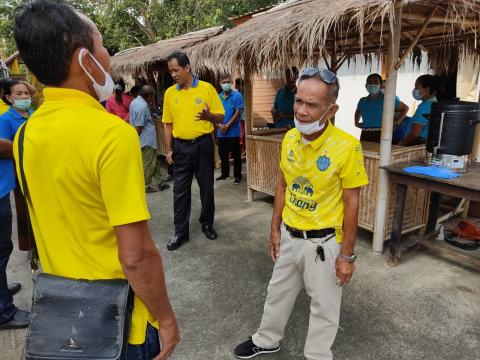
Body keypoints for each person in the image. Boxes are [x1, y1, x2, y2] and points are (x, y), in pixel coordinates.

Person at [12, 1, 179, 359]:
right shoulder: (111, 135)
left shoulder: (26, 133)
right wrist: (165, 318)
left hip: (62, 317)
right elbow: (135, 256)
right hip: (117, 322)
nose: (109, 55)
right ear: (85, 60)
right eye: (103, 44)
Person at [234, 67, 368, 360]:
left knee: (324, 306)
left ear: (331, 110)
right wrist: (274, 228)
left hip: (323, 244)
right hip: (289, 235)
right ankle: (267, 340)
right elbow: (282, 184)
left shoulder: (347, 147)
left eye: (312, 105)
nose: (302, 111)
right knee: (277, 292)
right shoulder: (291, 138)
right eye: (299, 101)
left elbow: (352, 203)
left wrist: (346, 255)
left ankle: (317, 355)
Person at [162, 51, 224, 251]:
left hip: (203, 144)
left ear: (187, 67)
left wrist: (209, 117)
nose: (173, 75)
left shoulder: (207, 89)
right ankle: (180, 232)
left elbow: (221, 117)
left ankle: (207, 223)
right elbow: (167, 125)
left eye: (176, 70)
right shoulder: (170, 93)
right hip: (180, 147)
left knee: (206, 188)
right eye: (171, 72)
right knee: (180, 191)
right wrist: (169, 150)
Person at [0, 80, 33, 331]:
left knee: (4, 249)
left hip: (14, 184)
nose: (25, 96)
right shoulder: (5, 119)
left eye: (26, 92)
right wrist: (28, 148)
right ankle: (5, 312)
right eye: (18, 93)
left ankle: (3, 289)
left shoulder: (32, 113)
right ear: (8, 97)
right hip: (9, 186)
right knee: (2, 249)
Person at [130, 85, 170, 193]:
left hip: (145, 140)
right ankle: (145, 185)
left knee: (153, 161)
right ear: (150, 96)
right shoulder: (142, 106)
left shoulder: (135, 102)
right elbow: (139, 126)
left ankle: (160, 181)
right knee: (148, 164)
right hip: (146, 140)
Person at [354, 73, 409, 142]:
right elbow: (358, 111)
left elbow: (405, 108)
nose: (372, 84)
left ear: (381, 86)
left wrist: (397, 122)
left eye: (376, 82)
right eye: (370, 82)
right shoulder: (362, 100)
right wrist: (356, 122)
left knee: (381, 152)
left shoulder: (388, 99)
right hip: (365, 133)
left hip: (383, 134)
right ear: (366, 86)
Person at [216, 74, 244, 184]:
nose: (225, 84)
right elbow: (214, 113)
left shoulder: (237, 96)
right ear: (220, 84)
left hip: (233, 132)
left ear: (231, 82)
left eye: (227, 82)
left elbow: (238, 112)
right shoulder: (218, 97)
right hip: (221, 132)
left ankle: (238, 175)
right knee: (222, 154)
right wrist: (219, 125)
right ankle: (225, 173)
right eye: (223, 82)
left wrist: (227, 125)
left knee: (236, 155)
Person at [399, 74, 438, 146]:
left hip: (418, 143)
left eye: (417, 87)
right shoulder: (434, 104)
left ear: (427, 89)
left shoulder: (426, 106)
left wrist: (401, 144)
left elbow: (415, 134)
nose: (415, 90)